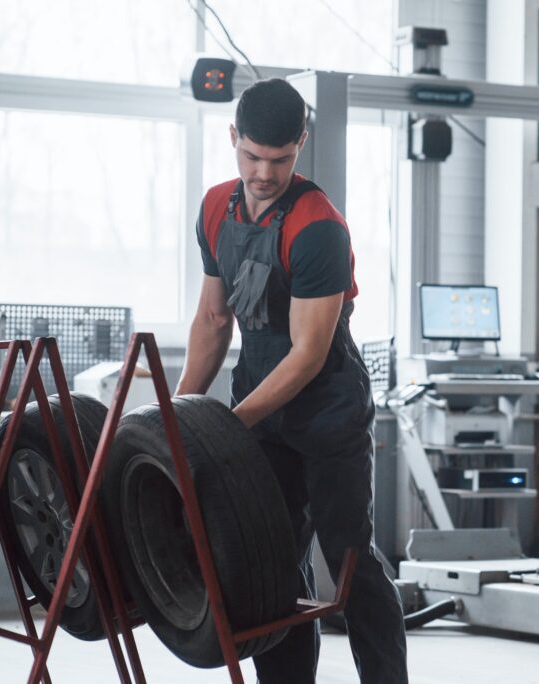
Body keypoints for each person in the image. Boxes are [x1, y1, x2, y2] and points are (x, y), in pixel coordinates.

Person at [175, 77, 408, 684]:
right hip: (259, 398)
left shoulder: (318, 226)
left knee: (347, 558)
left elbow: (307, 354)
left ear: (300, 145)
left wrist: (226, 426)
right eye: (252, 156)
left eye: (279, 159)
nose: (264, 172)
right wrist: (176, 418)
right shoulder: (213, 208)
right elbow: (211, 319)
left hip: (326, 406)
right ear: (233, 139)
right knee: (270, 563)